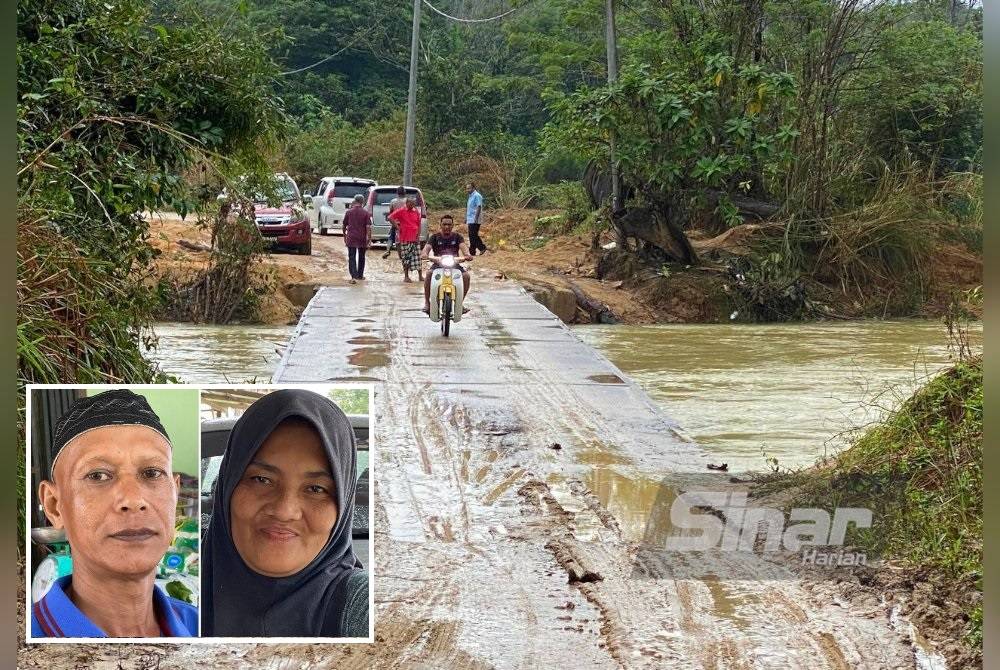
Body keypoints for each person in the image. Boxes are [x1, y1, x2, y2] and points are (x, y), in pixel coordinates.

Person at [202, 389, 368, 637]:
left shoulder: (361, 607)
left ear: (342, 505)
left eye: (316, 488)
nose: (284, 511)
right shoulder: (165, 592)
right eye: (262, 479)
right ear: (227, 487)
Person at [32, 389, 197, 638]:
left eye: (152, 473)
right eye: (98, 475)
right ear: (55, 505)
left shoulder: (201, 626)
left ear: (175, 493)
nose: (133, 499)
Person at [421, 214, 473, 314]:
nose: (447, 227)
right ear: (440, 225)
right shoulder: (434, 237)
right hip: (438, 264)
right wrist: (424, 254)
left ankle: (459, 304)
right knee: (428, 274)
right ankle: (427, 303)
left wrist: (467, 254)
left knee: (466, 276)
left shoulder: (458, 237)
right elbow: (427, 248)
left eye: (449, 224)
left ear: (453, 225)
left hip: (454, 264)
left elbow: (464, 248)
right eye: (444, 224)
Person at [387, 197, 423, 283]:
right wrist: (398, 227)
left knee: (418, 257)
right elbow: (390, 217)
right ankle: (406, 276)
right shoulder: (401, 210)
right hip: (405, 238)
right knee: (406, 258)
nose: (412, 205)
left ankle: (420, 276)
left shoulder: (416, 211)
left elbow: (419, 224)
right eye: (411, 203)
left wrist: (418, 235)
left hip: (415, 238)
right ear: (406, 203)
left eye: (414, 204)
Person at [342, 194, 372, 283]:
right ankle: (360, 275)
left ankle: (353, 277)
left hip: (351, 237)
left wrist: (344, 235)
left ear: (355, 201)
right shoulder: (366, 213)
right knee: (362, 257)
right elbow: (368, 227)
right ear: (363, 202)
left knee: (352, 257)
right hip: (362, 237)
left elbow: (344, 225)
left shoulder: (349, 212)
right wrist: (369, 238)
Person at [382, 186, 407, 259]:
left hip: (395, 223)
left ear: (397, 193)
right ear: (405, 192)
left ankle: (388, 250)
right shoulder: (407, 201)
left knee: (391, 237)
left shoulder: (393, 201)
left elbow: (391, 212)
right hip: (406, 223)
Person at [465, 181, 487, 256]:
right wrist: (466, 218)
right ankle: (472, 251)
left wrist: (476, 218)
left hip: (475, 219)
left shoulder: (477, 195)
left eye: (469, 188)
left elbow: (479, 206)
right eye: (467, 188)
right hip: (470, 218)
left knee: (473, 235)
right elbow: (470, 208)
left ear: (473, 188)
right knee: (472, 235)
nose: (468, 190)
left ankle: (482, 248)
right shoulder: (470, 196)